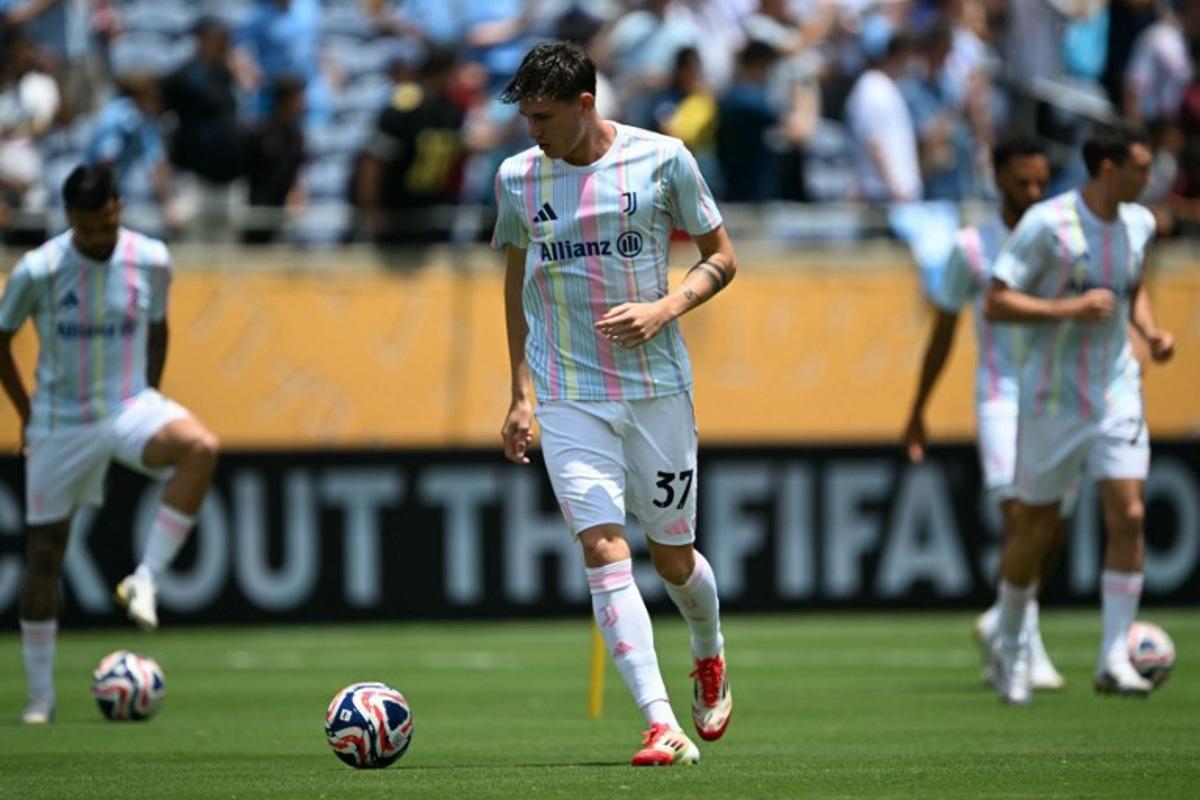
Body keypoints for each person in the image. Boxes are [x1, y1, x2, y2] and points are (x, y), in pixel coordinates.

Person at [493, 41, 735, 766]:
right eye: (526, 117)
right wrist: (520, 393)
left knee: (674, 559)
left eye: (543, 115)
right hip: (569, 394)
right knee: (602, 548)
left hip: (656, 390)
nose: (532, 130)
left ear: (585, 104)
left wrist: (665, 308)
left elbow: (723, 257)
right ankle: (661, 723)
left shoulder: (663, 159)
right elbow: (516, 284)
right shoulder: (516, 179)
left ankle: (708, 649)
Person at [0, 165, 220, 724]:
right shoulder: (40, 268)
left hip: (127, 405)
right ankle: (40, 697)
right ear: (69, 219)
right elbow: (1, 338)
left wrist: (151, 391)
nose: (97, 238)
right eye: (85, 228)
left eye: (103, 226)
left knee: (200, 448)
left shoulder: (152, 258)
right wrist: (27, 414)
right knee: (44, 554)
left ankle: (144, 579)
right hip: (60, 420)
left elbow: (159, 326)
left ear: (118, 208)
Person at [985, 124, 1175, 705]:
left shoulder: (1140, 225)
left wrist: (1149, 331)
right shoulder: (1049, 224)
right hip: (1053, 397)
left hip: (1116, 390)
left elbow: (1133, 285)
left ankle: (1114, 656)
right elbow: (997, 300)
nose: (1150, 178)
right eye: (1141, 168)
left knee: (1130, 513)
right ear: (1108, 168)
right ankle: (1010, 642)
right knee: (1037, 526)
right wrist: (1067, 308)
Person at [903, 136, 1065, 691]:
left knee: (1051, 523)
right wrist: (918, 410)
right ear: (998, 180)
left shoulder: (1061, 242)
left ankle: (1003, 620)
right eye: (1023, 182)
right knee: (1019, 515)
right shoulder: (971, 247)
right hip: (999, 393)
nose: (1034, 192)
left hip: (1055, 396)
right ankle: (1024, 644)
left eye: (1042, 182)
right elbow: (943, 334)